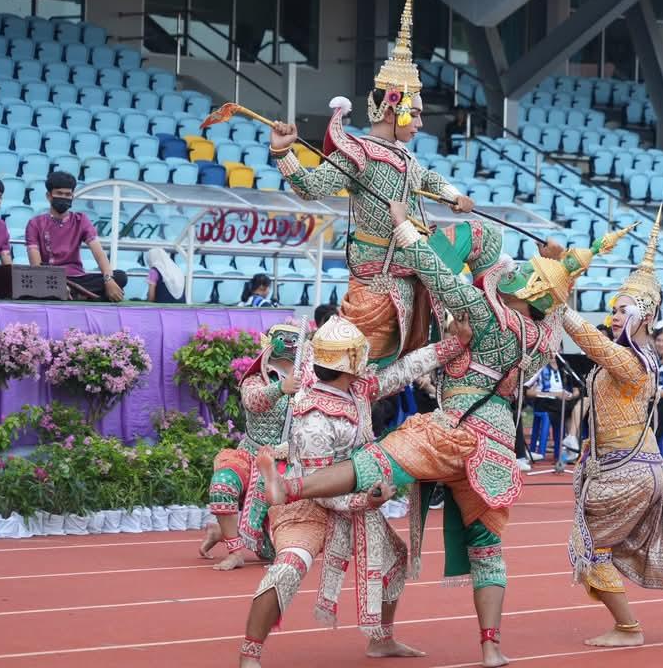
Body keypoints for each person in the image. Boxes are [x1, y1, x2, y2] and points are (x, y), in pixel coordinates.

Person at [258, 215, 632, 668]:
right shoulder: (541, 339)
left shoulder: (486, 312)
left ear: (528, 290)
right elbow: (554, 308)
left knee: (375, 462)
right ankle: (491, 647)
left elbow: (434, 271)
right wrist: (567, 268)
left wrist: (402, 226)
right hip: (496, 446)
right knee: (487, 549)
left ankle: (290, 488)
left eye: (523, 276)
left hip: (453, 428)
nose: (512, 274)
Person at [267, 0, 492, 368]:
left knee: (481, 236)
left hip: (412, 261)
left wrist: (454, 195)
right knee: (352, 368)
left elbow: (427, 180)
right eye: (415, 113)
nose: (420, 123)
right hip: (379, 278)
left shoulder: (405, 156)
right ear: (392, 109)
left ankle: (488, 324)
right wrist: (283, 152)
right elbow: (309, 187)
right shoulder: (358, 153)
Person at [238, 315, 473, 667]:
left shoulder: (356, 388)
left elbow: (403, 370)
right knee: (289, 567)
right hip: (307, 503)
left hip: (352, 495)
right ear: (349, 361)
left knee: (395, 558)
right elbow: (321, 490)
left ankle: (381, 639)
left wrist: (454, 344)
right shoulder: (314, 418)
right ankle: (250, 653)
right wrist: (366, 500)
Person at [560, 208, 663, 648]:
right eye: (613, 309)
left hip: (627, 473)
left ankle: (628, 628)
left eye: (622, 310)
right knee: (659, 548)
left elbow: (592, 343)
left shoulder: (634, 361)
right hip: (640, 468)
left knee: (591, 545)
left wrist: (558, 303)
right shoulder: (635, 356)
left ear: (645, 316)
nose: (614, 315)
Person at [201, 324, 304, 571]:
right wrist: (280, 388)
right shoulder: (256, 379)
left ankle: (222, 531)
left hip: (289, 463)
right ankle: (235, 551)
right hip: (251, 455)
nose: (290, 346)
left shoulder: (309, 383)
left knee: (270, 552)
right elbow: (253, 401)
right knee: (223, 484)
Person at [25, 172, 127, 301]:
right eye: (59, 193)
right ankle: (84, 296)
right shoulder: (35, 223)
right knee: (35, 284)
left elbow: (99, 253)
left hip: (78, 278)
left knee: (120, 277)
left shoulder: (81, 220)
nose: (64, 197)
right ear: (49, 196)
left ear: (72, 196)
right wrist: (56, 285)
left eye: (68, 194)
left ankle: (75, 294)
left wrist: (108, 279)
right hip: (50, 278)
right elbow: (36, 265)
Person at [525, 357, 582, 461]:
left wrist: (571, 395)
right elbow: (527, 392)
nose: (554, 354)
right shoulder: (539, 367)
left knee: (576, 407)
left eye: (556, 350)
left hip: (561, 402)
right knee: (567, 409)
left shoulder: (564, 368)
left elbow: (576, 388)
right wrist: (555, 394)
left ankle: (570, 445)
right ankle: (569, 445)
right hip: (544, 401)